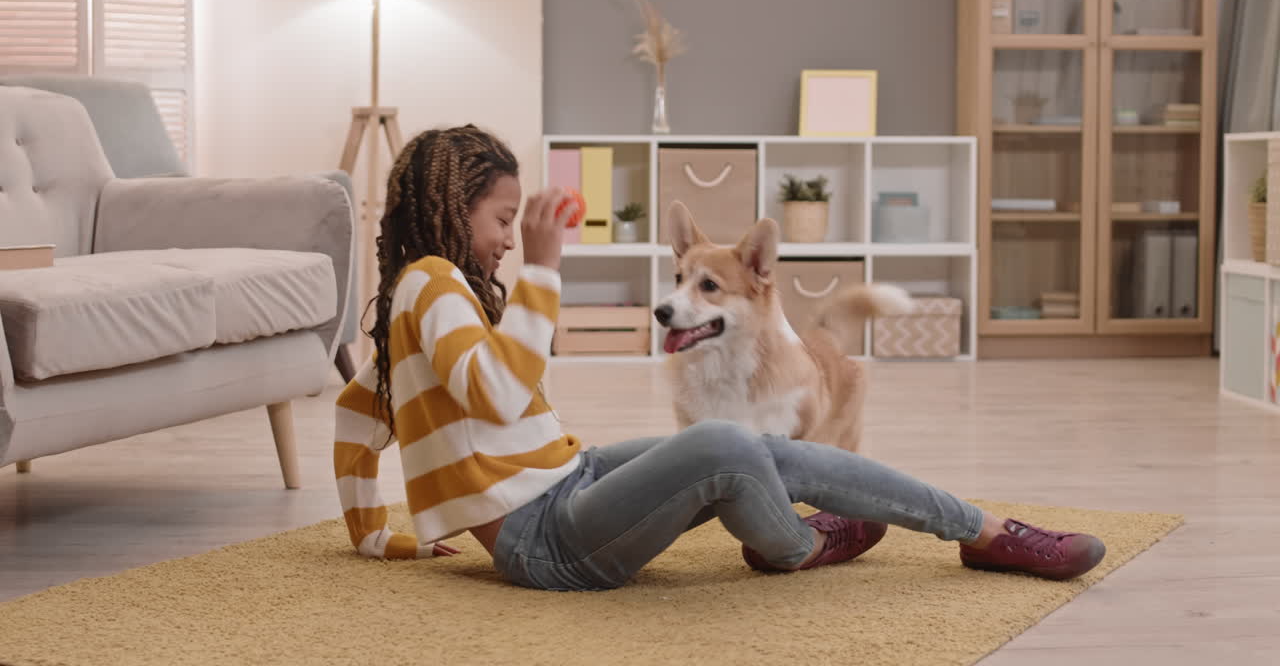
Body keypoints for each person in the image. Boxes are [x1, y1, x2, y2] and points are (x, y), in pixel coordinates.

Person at [333, 125, 1106, 591]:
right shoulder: (430, 283)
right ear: (449, 206)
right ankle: (798, 545)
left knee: (761, 448)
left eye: (515, 225)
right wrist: (544, 267)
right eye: (502, 218)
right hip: (546, 541)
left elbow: (353, 418)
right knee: (729, 445)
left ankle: (982, 530)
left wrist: (377, 535)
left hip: (572, 480)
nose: (509, 236)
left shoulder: (427, 303)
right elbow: (500, 395)